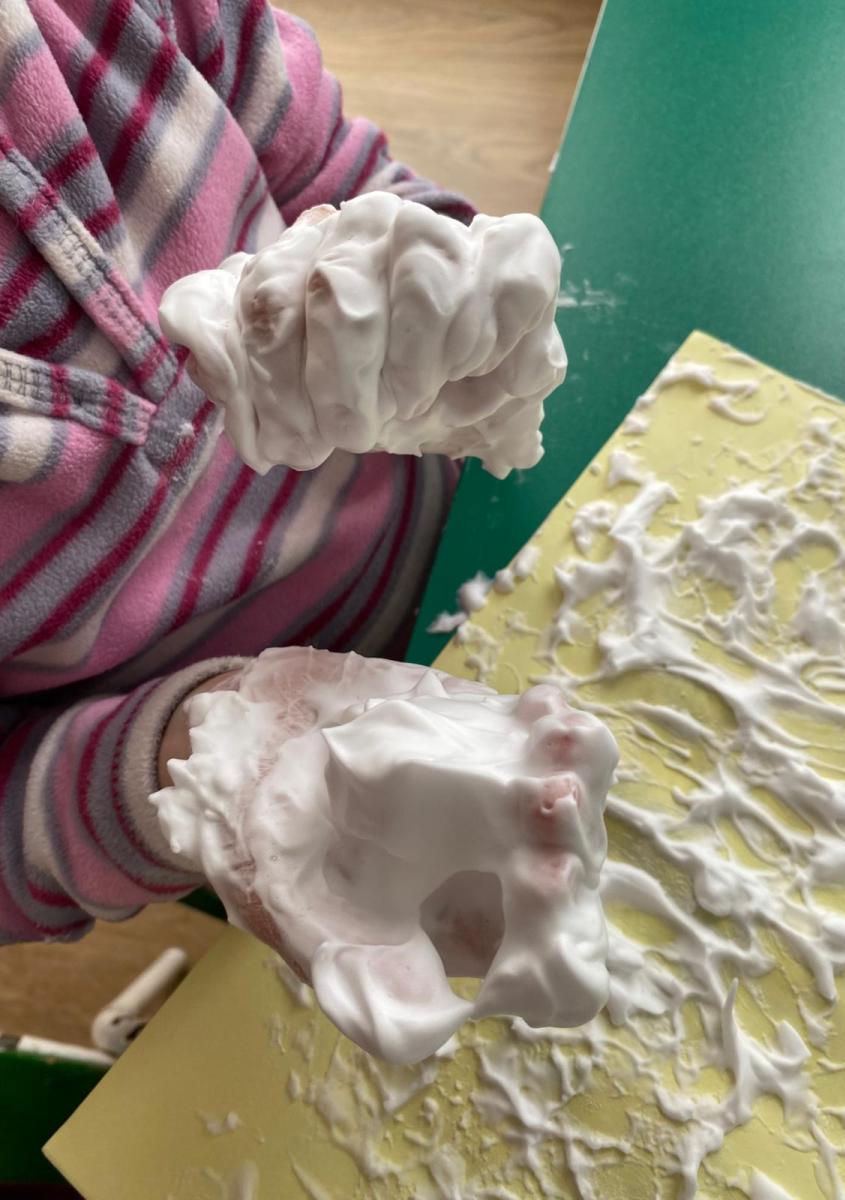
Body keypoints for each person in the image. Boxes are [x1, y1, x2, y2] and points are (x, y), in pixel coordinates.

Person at [0, 1, 570, 987]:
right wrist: (196, 763)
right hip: (243, 790)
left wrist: (443, 281)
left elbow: (331, 169)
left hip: (469, 521)